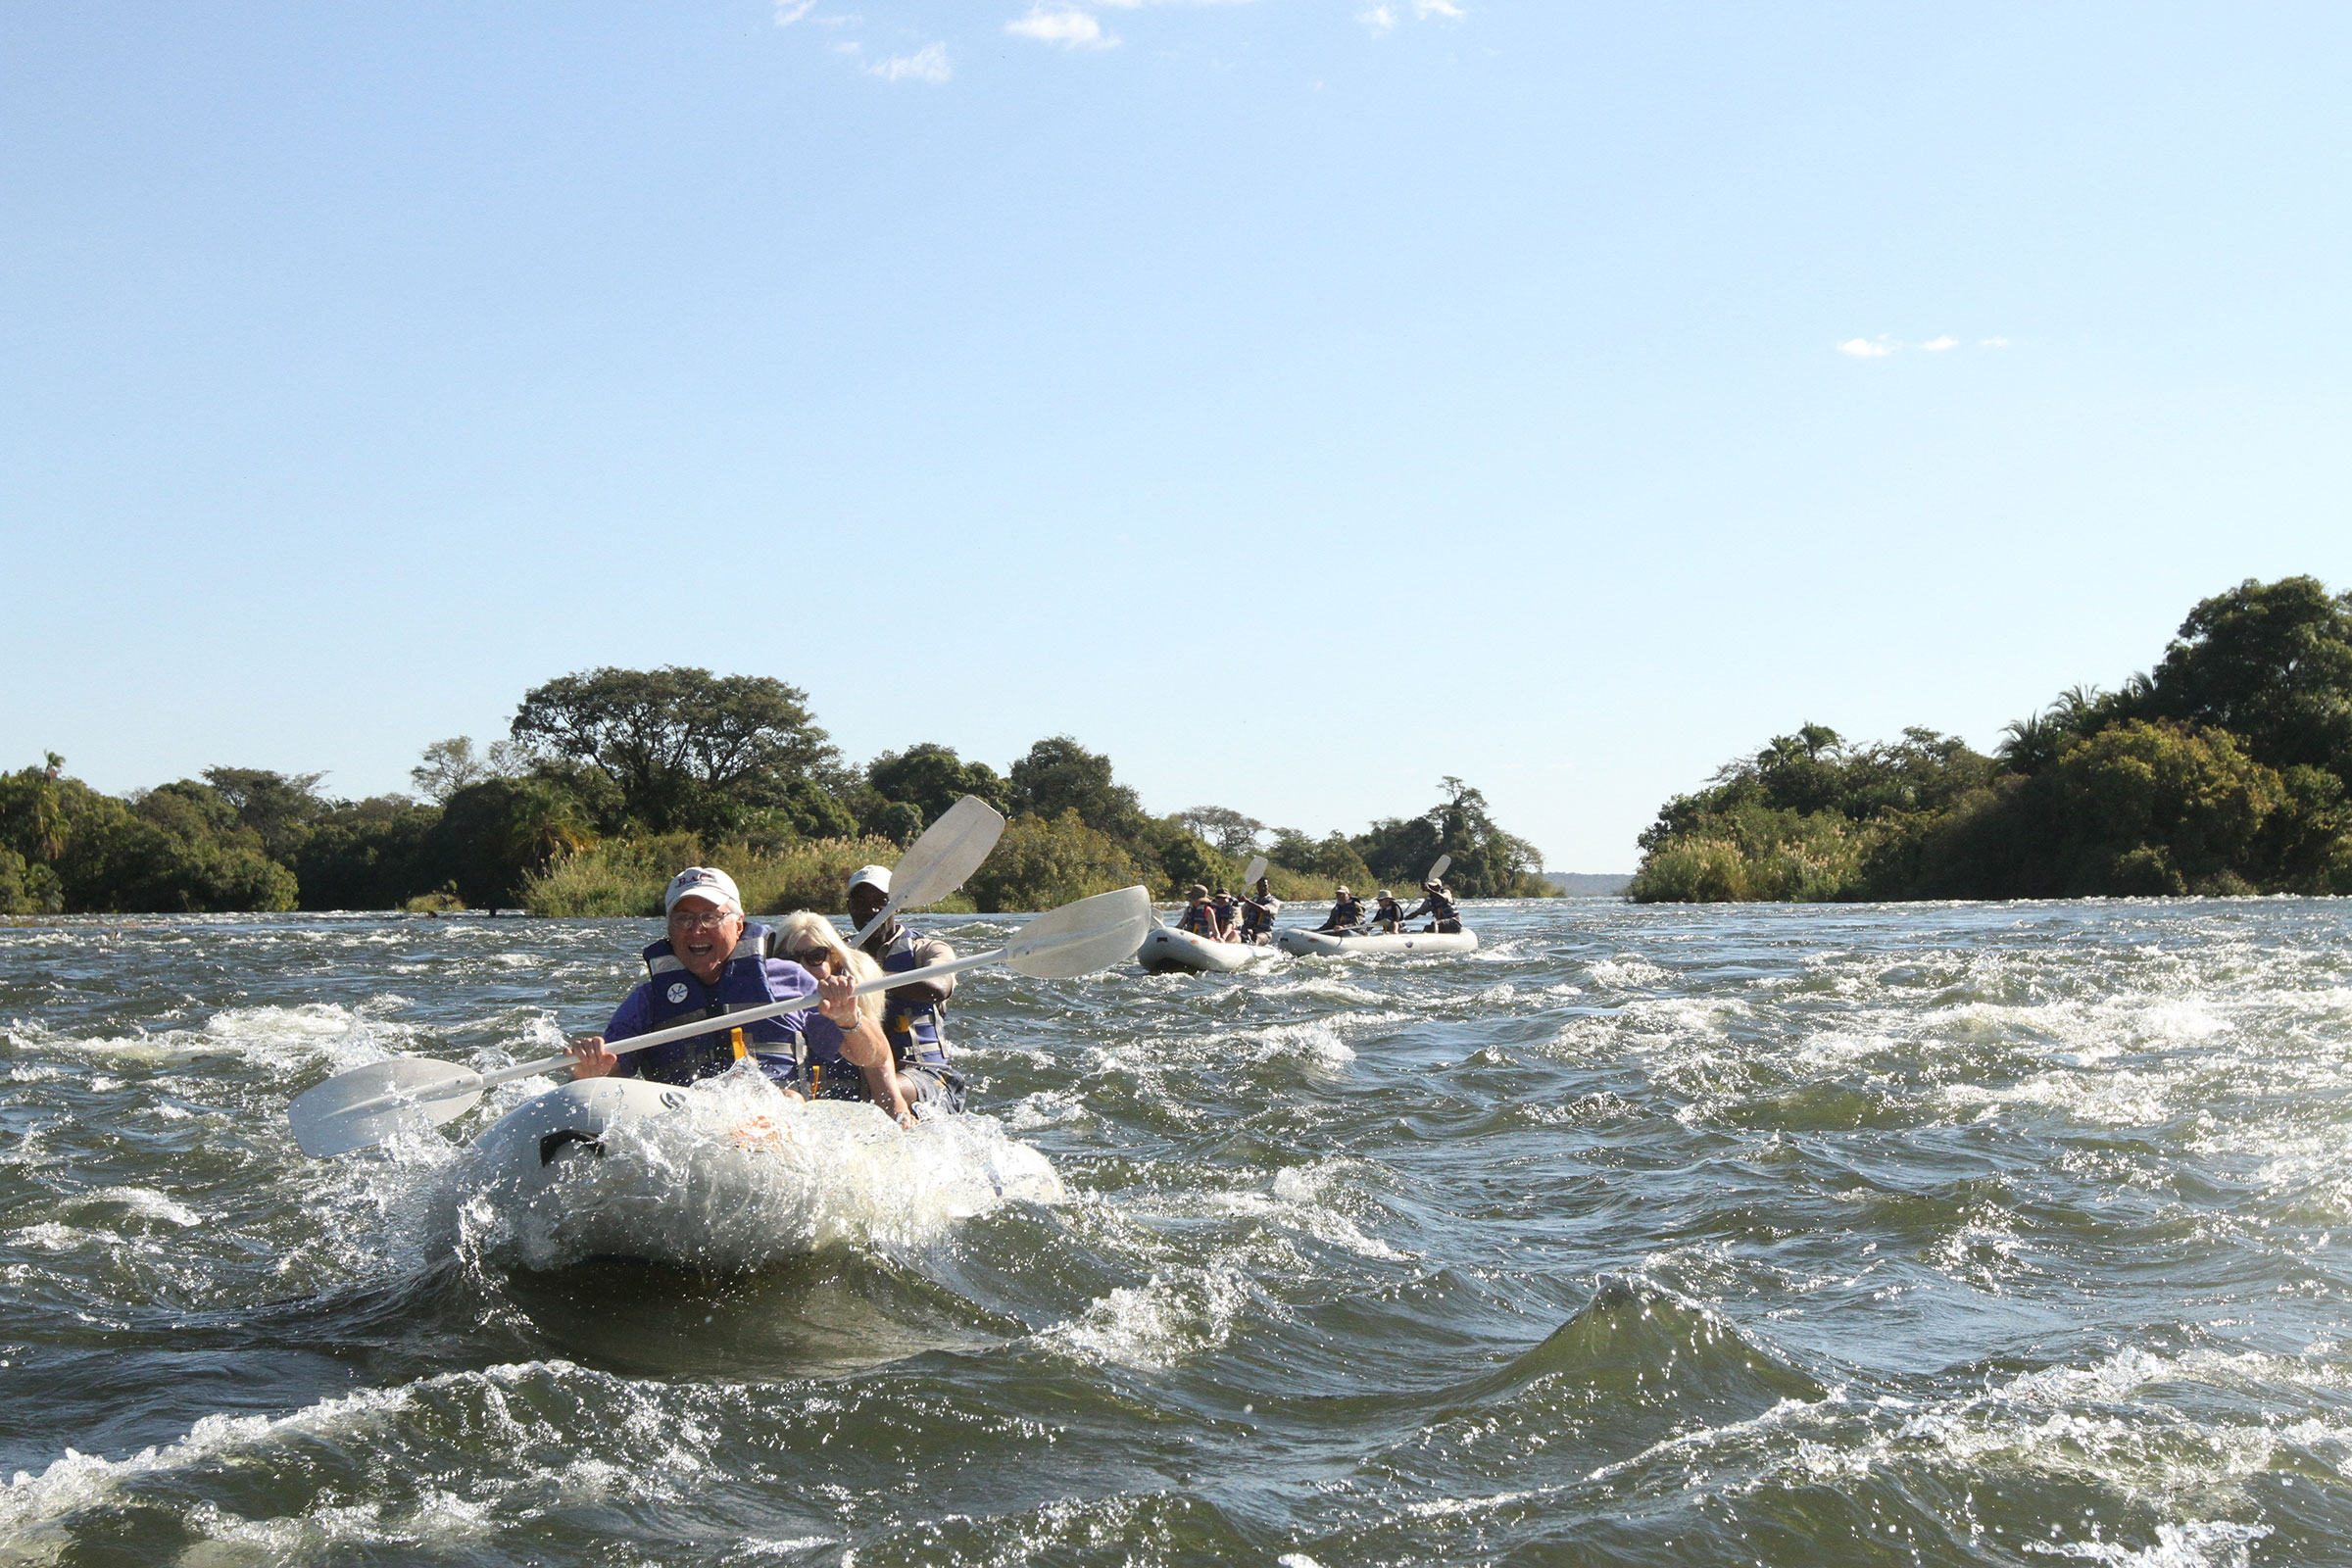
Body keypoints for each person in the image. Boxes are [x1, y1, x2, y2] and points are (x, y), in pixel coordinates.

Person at [564, 866, 914, 1128]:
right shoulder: (646, 1000)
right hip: (687, 1132)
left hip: (780, 1124)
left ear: (739, 925)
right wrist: (591, 1074)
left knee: (788, 1099)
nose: (696, 929)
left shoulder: (790, 980)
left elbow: (874, 1056)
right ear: (670, 931)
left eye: (710, 917)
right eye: (683, 919)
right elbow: (607, 1084)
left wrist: (849, 1021)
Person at [845, 863, 969, 1113]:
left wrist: (867, 977)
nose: (870, 911)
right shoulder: (836, 955)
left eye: (880, 902)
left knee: (877, 1093)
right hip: (859, 1077)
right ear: (849, 909)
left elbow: (938, 987)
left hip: (926, 1075)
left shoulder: (928, 949)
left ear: (896, 906)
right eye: (860, 903)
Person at [1236, 875, 1280, 944]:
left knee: (1256, 937)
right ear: (1257, 886)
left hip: (1264, 933)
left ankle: (1254, 945)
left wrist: (1247, 901)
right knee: (1245, 931)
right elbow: (1242, 915)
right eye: (1259, 885)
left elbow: (1264, 910)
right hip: (1250, 930)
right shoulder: (1252, 900)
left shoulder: (1274, 901)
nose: (1262, 887)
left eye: (1264, 885)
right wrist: (1236, 902)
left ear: (1269, 886)